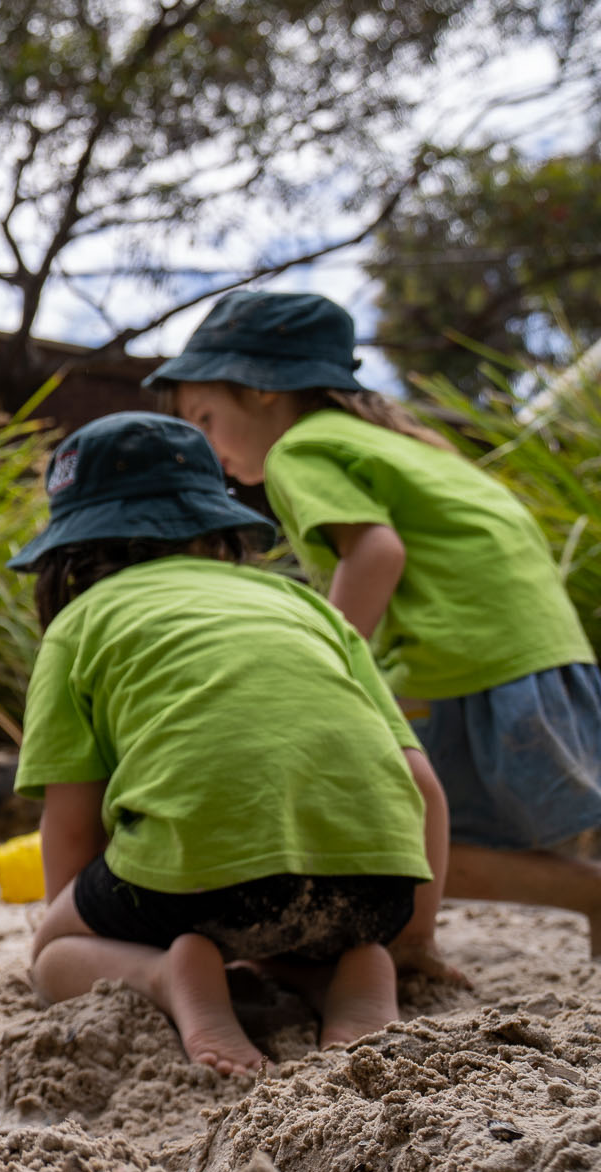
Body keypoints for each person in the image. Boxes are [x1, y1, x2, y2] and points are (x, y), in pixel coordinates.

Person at [151, 290, 601, 959]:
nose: (209, 451)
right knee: (455, 831)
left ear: (262, 389)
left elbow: (376, 554)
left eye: (205, 419)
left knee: (396, 833)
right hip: (545, 658)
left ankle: (581, 896)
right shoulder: (404, 442)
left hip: (461, 667)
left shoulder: (299, 450)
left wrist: (323, 671)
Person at [12, 412, 439, 1075]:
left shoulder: (79, 623)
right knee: (290, 917)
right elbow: (423, 786)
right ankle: (353, 970)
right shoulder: (308, 607)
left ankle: (167, 977)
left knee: (53, 955)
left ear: (68, 556)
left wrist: (78, 918)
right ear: (219, 529)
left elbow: (70, 823)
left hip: (198, 890)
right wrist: (412, 939)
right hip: (373, 891)